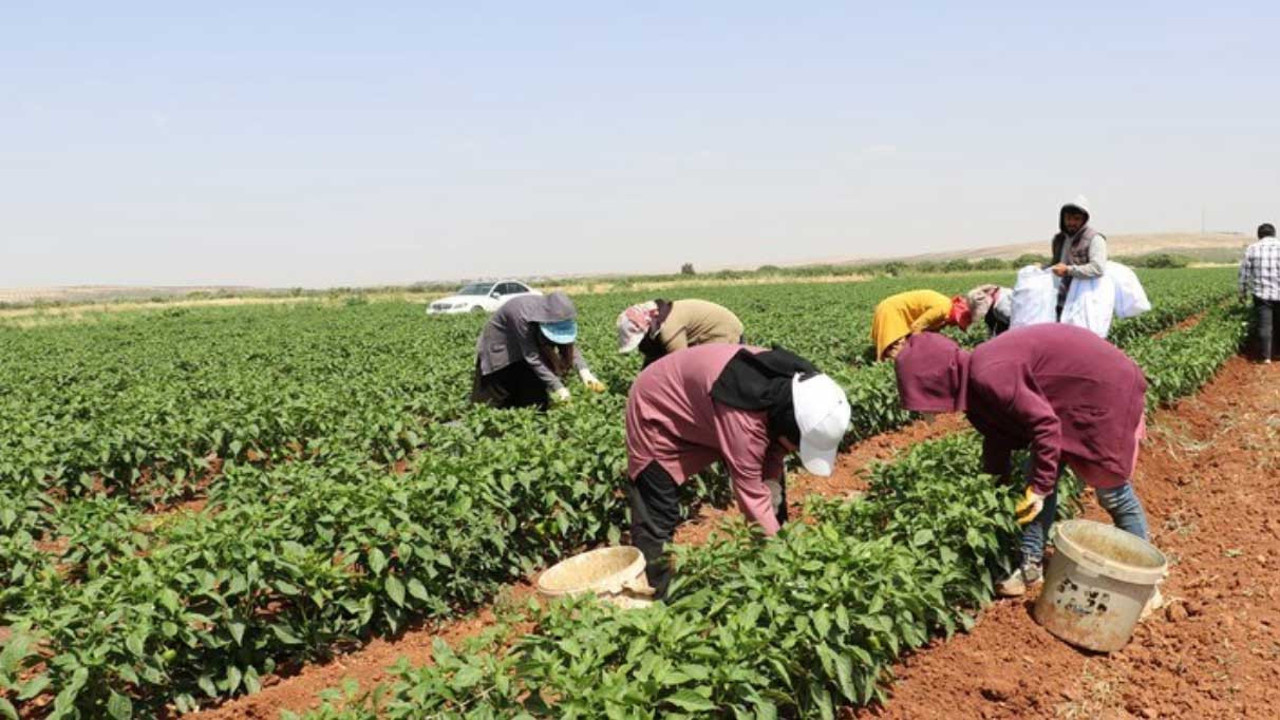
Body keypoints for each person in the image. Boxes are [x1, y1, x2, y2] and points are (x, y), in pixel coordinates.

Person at [893, 325, 1150, 597]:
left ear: (936, 380)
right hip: (1067, 395)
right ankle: (1030, 566)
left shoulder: (988, 374)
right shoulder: (976, 385)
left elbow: (1046, 426)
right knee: (1038, 473)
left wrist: (1039, 488)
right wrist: (995, 488)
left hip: (1103, 387)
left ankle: (1143, 582)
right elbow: (998, 438)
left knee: (1109, 487)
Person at [625, 343, 851, 598]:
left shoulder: (796, 393)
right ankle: (659, 594)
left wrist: (772, 482)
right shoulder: (746, 418)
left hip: (706, 400)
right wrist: (784, 564)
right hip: (659, 404)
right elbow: (750, 493)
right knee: (657, 505)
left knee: (771, 494)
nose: (795, 451)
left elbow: (777, 446)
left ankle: (774, 550)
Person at [471, 292, 606, 410]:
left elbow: (569, 345)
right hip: (501, 354)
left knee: (535, 401)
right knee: (492, 402)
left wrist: (585, 373)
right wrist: (559, 388)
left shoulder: (555, 314)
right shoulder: (521, 313)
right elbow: (532, 356)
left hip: (527, 355)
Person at [616, 298, 745, 367]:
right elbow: (652, 361)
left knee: (709, 373)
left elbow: (681, 366)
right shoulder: (658, 317)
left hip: (722, 330)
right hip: (710, 329)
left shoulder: (669, 329)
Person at [1048, 196, 1108, 321]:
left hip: (1083, 303)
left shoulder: (1095, 239)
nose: (1071, 222)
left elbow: (1098, 268)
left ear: (1084, 219)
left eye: (1076, 219)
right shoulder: (1059, 239)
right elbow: (1057, 264)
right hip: (1059, 301)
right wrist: (1043, 268)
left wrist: (1068, 270)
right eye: (1068, 218)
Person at [871, 290, 972, 361]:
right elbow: (916, 327)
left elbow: (930, 331)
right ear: (955, 316)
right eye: (956, 323)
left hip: (899, 314)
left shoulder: (945, 313)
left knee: (905, 353)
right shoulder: (942, 309)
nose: (953, 325)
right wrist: (919, 349)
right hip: (891, 311)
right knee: (897, 352)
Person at [1239, 223, 1280, 364]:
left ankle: (1266, 356)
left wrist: (1242, 292)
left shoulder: (1252, 248)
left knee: (1265, 325)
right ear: (1274, 234)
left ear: (1259, 235)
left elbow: (1244, 273)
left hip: (1262, 294)